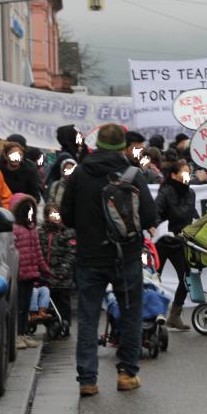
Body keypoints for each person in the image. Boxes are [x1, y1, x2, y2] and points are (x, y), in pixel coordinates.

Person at [61, 123, 157, 396]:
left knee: (89, 318)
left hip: (89, 256)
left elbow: (67, 216)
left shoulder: (79, 174)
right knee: (130, 314)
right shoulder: (133, 174)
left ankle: (88, 380)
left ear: (98, 144)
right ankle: (127, 374)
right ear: (123, 146)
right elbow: (149, 216)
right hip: (125, 256)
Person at [151, 159, 198, 330]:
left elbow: (194, 216)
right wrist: (156, 227)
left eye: (189, 172)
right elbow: (155, 212)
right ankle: (153, 314)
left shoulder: (191, 193)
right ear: (174, 175)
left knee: (186, 278)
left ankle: (175, 316)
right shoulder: (166, 192)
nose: (187, 175)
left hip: (180, 241)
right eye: (184, 172)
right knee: (154, 278)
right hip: (163, 241)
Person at [11, 193, 49, 350]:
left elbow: (38, 251)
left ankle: (24, 333)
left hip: (30, 274)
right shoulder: (15, 230)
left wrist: (44, 269)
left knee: (25, 306)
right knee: (19, 307)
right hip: (19, 275)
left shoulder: (31, 229)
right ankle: (17, 335)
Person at [38, 204, 77, 326]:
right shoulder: (41, 233)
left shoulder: (67, 233)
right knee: (48, 301)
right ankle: (51, 324)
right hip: (46, 276)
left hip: (63, 278)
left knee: (63, 301)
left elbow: (71, 253)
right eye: (52, 214)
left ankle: (65, 324)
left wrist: (62, 272)